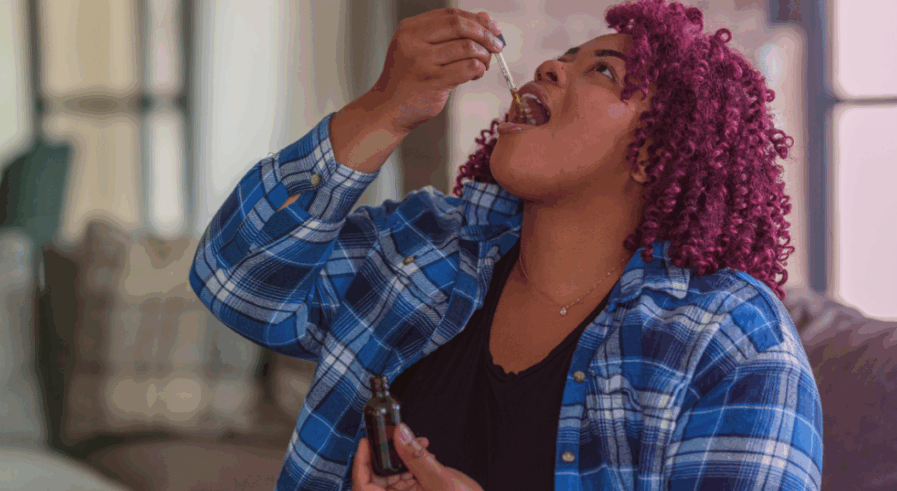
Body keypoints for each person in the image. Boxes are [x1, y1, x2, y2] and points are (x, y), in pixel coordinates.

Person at [189, 0, 823, 489]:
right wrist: (386, 107)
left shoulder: (730, 340)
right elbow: (235, 278)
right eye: (563, 57)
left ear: (655, 156)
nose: (550, 67)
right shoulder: (425, 245)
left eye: (603, 71)